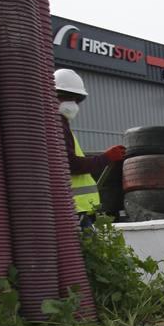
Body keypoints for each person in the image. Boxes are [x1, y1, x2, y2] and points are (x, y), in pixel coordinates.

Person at [54, 68, 125, 217]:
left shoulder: (62, 125)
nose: (72, 104)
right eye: (66, 97)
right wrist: (106, 157)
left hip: (80, 208)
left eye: (76, 99)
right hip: (74, 209)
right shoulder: (56, 124)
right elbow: (72, 165)